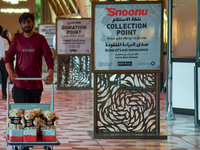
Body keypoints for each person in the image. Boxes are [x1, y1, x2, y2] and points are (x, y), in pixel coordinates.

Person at [5, 13, 54, 104]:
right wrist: (10, 73)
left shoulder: (40, 39)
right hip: (19, 83)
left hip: (36, 84)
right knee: (20, 114)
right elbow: (8, 58)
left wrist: (50, 74)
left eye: (29, 22)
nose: (26, 25)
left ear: (33, 23)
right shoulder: (16, 40)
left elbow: (49, 57)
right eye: (24, 22)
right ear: (21, 24)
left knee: (33, 114)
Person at [0, 26, 9, 99]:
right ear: (1, 32)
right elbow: (7, 52)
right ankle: (4, 93)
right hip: (2, 61)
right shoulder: (4, 40)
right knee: (4, 77)